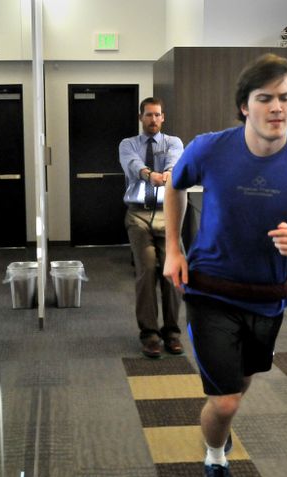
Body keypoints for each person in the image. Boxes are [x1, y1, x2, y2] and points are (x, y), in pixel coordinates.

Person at [163, 54, 287, 477]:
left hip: (268, 298)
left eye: (286, 97)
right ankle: (216, 459)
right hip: (210, 291)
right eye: (265, 98)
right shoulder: (210, 148)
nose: (277, 107)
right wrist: (173, 250)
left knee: (238, 389)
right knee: (223, 403)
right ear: (245, 105)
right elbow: (174, 186)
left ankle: (219, 436)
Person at [118, 97, 185, 358]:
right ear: (140, 117)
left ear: (163, 117)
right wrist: (149, 175)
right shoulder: (128, 144)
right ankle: (150, 335)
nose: (153, 120)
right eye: (148, 115)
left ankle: (171, 332)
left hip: (168, 214)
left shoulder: (173, 142)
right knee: (146, 270)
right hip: (138, 216)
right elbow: (132, 165)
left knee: (172, 272)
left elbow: (175, 160)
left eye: (157, 115)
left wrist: (167, 172)